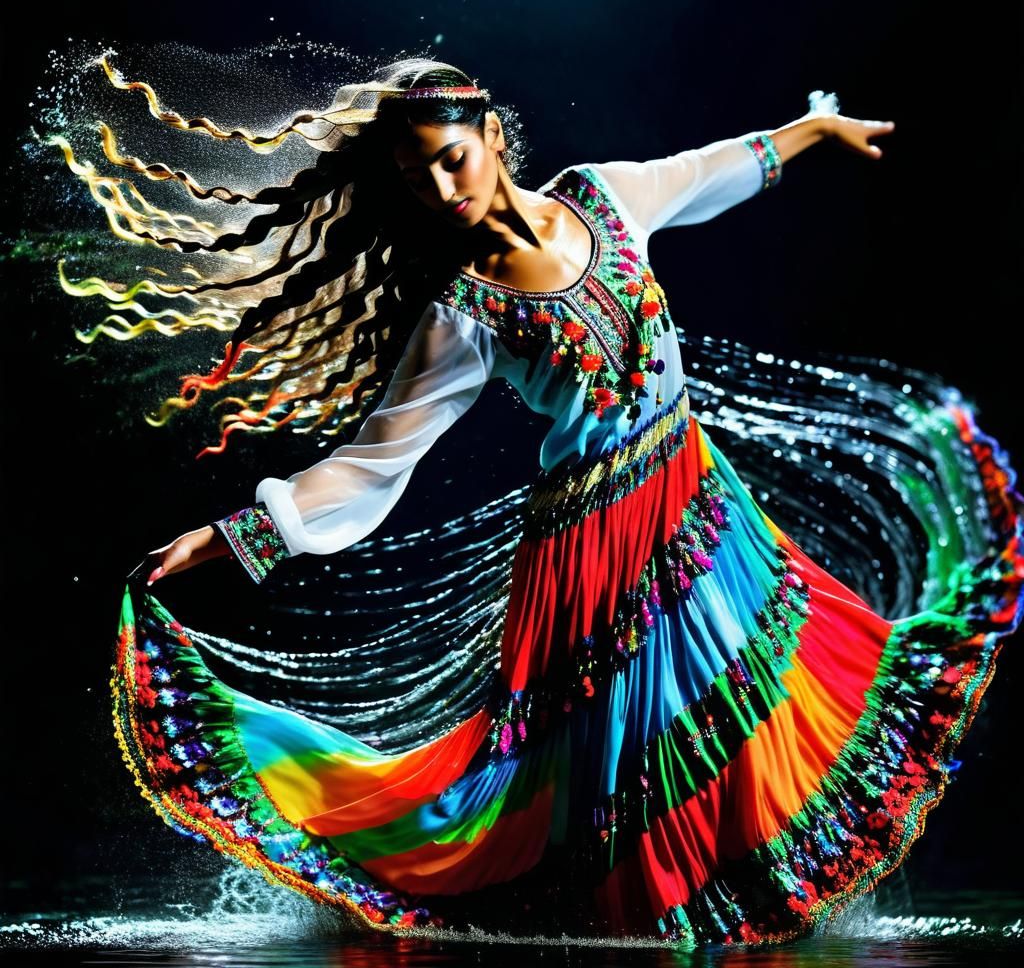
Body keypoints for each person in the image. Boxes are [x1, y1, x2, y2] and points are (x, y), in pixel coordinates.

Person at [95, 58, 1022, 945]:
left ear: (493, 136)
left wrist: (809, 131)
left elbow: (704, 174)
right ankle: (632, 923)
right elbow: (370, 465)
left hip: (697, 508)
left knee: (745, 705)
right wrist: (227, 538)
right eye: (420, 180)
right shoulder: (465, 311)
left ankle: (737, 908)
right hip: (593, 555)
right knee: (624, 766)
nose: (444, 187)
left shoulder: (600, 199)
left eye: (452, 158)